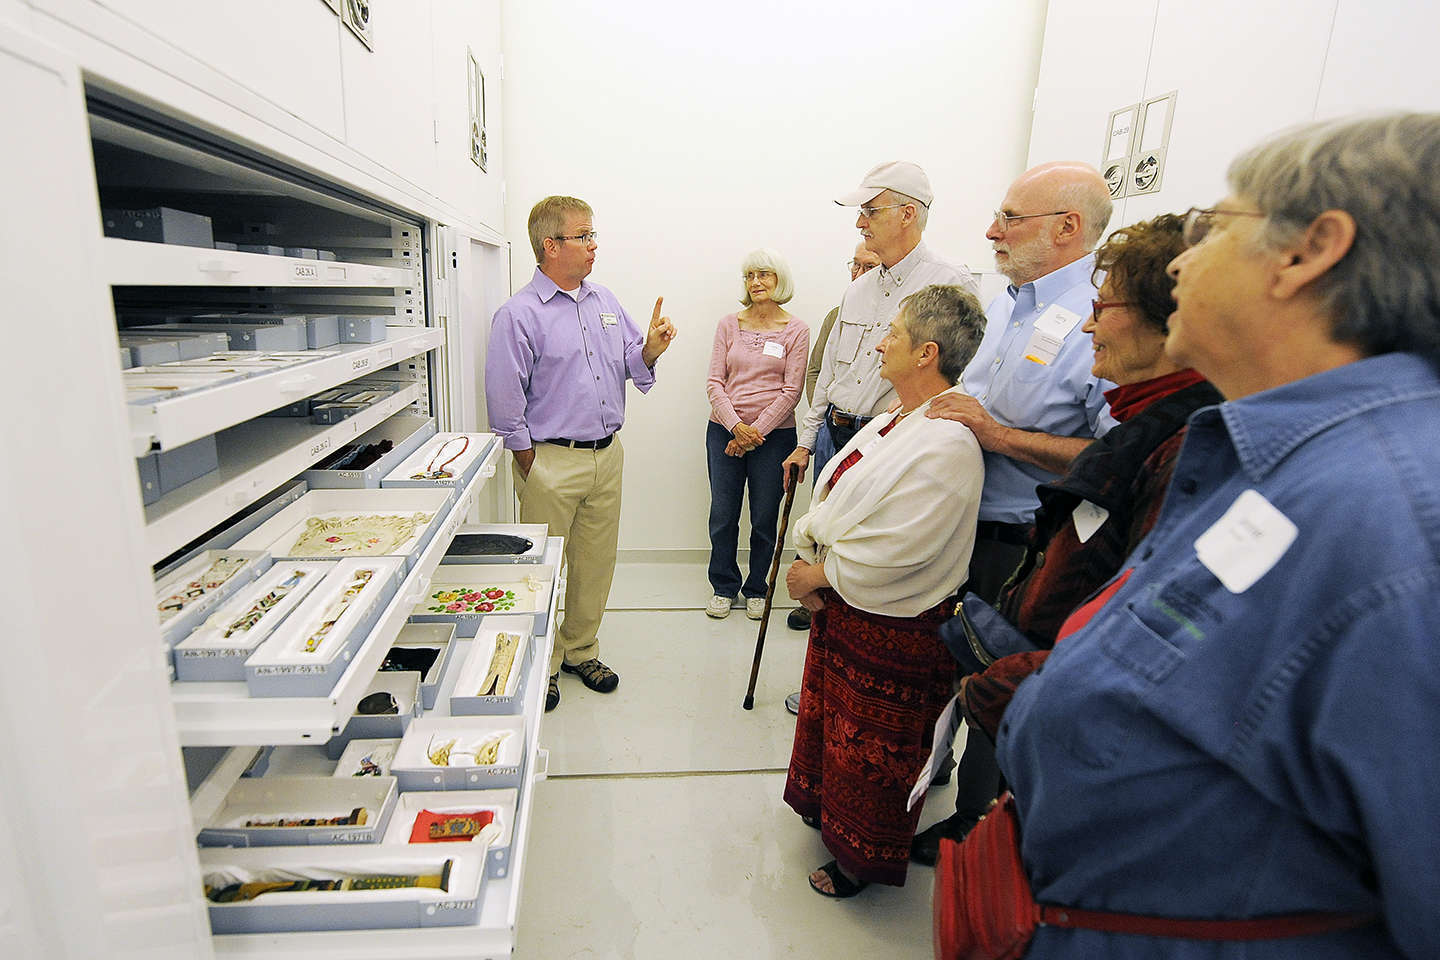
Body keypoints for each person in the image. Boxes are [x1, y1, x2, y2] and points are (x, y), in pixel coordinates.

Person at [948, 113, 1440, 959]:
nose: (1180, 259)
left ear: (1309, 250)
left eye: (1214, 227)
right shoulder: (1277, 453)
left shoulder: (1397, 522)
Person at [914, 213, 1222, 862]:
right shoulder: (1004, 307)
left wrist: (1035, 678)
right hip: (1014, 575)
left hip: (1052, 652)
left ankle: (986, 825)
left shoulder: (1184, 448)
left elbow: (1148, 623)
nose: (1087, 325)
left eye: (1102, 309)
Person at [913, 160, 1117, 860]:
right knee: (946, 663)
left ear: (1068, 228)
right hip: (956, 524)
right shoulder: (1004, 301)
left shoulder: (1103, 320)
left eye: (1010, 218)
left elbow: (1117, 459)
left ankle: (976, 825)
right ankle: (927, 772)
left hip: (1021, 538)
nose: (991, 231)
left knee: (995, 679)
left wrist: (999, 437)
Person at [783, 284, 986, 898]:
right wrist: (814, 553)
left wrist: (820, 575)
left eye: (891, 333)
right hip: (851, 612)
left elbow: (904, 545)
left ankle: (860, 860)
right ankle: (828, 814)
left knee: (874, 753)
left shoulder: (948, 440)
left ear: (926, 353)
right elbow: (841, 500)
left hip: (894, 625)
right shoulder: (900, 418)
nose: (879, 341)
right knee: (839, 733)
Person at [485, 195, 676, 712]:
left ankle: (580, 650)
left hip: (607, 456)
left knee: (595, 564)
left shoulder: (604, 301)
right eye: (584, 236)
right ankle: (542, 663)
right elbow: (505, 407)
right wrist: (534, 468)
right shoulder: (518, 315)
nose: (594, 245)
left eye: (593, 235)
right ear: (551, 245)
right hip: (550, 460)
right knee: (542, 569)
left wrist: (651, 350)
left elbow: (632, 363)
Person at [704, 249, 808, 619]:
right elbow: (715, 382)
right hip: (723, 432)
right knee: (723, 514)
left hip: (774, 438)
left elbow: (791, 391)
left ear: (780, 280)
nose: (756, 282)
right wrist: (735, 427)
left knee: (765, 516)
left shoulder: (796, 330)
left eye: (764, 275)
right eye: (750, 276)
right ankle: (723, 586)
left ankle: (757, 587)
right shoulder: (728, 325)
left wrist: (753, 433)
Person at [786, 243, 881, 639]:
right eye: (854, 265)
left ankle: (843, 595)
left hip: (873, 431)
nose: (858, 273)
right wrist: (819, 422)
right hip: (831, 428)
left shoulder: (899, 315)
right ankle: (812, 596)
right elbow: (816, 371)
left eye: (869, 265)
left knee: (857, 519)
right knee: (819, 514)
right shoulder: (836, 315)